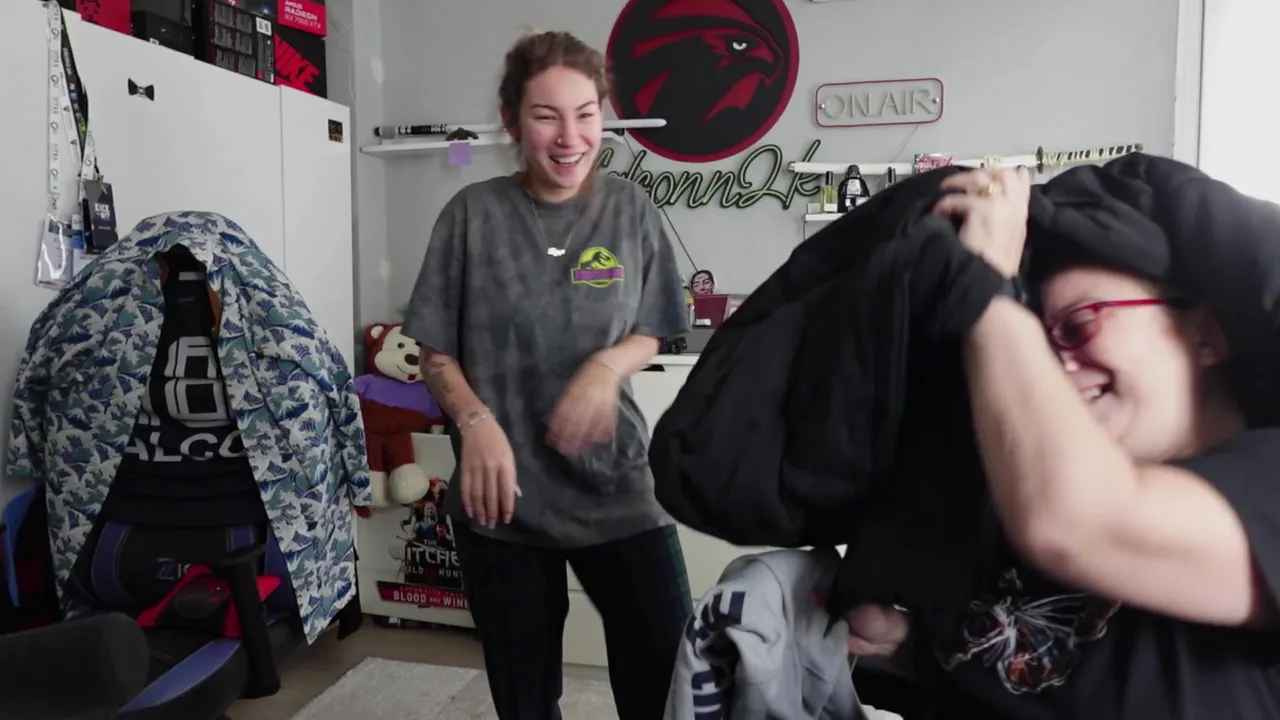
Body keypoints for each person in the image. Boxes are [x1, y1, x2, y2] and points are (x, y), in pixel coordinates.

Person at [847, 166, 1280, 719]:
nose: (1053, 370)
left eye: (1078, 325)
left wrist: (984, 289)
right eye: (1042, 349)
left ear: (1203, 336)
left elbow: (1079, 524)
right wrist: (909, 651)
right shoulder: (1018, 509)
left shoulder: (1268, 486)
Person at [400, 30, 693, 720]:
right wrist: (475, 421)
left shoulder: (631, 210)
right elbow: (434, 352)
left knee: (670, 682)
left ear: (602, 115)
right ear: (511, 121)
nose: (570, 137)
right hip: (501, 498)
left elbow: (653, 326)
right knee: (525, 700)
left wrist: (605, 366)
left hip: (617, 486)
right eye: (546, 115)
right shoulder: (470, 216)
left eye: (585, 114)